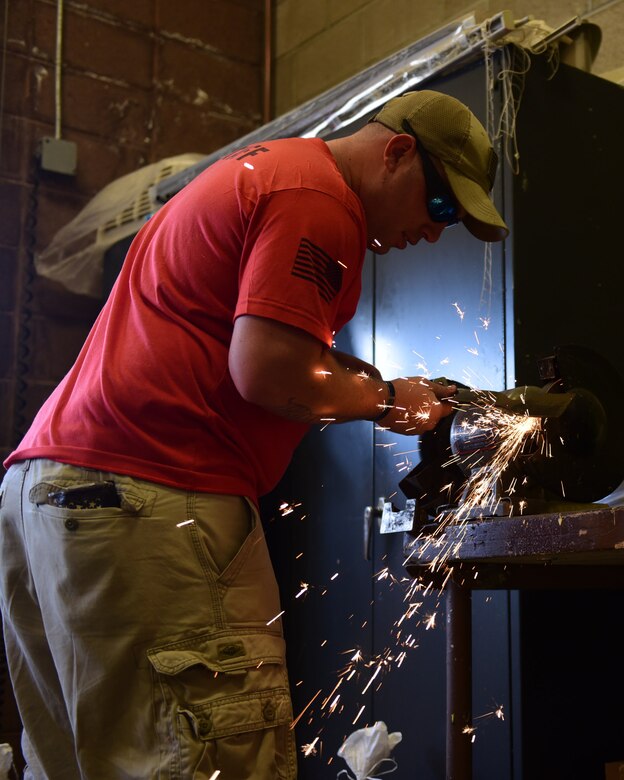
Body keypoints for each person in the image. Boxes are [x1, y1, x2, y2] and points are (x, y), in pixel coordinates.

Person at [0, 89, 508, 779]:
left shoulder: (268, 172)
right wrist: (388, 401)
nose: (435, 229)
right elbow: (269, 373)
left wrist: (370, 386)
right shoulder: (321, 199)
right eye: (442, 204)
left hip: (52, 494)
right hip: (153, 494)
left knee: (78, 763)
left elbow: (270, 351)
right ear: (396, 152)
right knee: (214, 755)